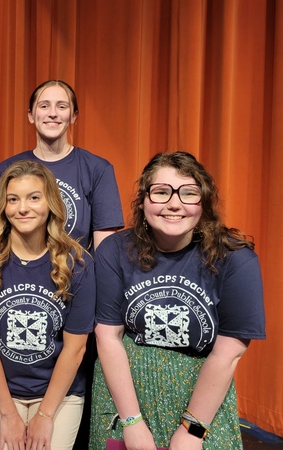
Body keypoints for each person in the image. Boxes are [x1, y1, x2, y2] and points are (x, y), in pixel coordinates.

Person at [89, 151, 266, 450]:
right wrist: (131, 422)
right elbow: (108, 335)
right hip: (126, 393)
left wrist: (192, 430)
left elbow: (229, 353)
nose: (174, 203)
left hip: (201, 397)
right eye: (161, 192)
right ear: (143, 200)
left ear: (204, 202)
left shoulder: (235, 258)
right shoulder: (115, 251)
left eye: (188, 193)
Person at [0, 160, 96, 450]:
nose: (23, 208)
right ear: (3, 206)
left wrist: (46, 415)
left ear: (50, 202)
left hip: (58, 392)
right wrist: (8, 413)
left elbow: (76, 348)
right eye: (13, 199)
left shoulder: (78, 263)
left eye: (34, 197)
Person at [0, 79, 123, 251]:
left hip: (76, 275)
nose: (53, 113)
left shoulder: (97, 169)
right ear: (31, 115)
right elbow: (0, 234)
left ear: (73, 116)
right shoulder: (7, 169)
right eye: (44, 106)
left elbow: (105, 251)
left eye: (62, 106)